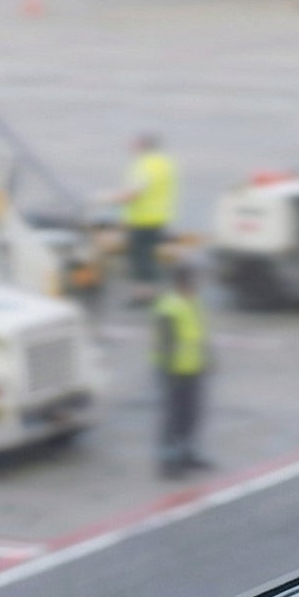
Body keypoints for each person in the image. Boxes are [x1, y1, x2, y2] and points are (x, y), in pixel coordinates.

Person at [151, 256, 211, 478]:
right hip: (174, 372)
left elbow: (198, 335)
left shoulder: (192, 301)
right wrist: (169, 374)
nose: (199, 284)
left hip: (193, 368)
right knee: (173, 418)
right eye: (195, 279)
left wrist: (207, 360)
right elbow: (165, 344)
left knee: (191, 415)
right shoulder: (170, 307)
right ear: (183, 281)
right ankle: (168, 463)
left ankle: (187, 455)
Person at [110, 132, 176, 307]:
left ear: (143, 146)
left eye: (134, 144)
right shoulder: (163, 163)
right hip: (158, 217)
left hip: (143, 220)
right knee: (148, 257)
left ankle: (144, 296)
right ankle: (150, 293)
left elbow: (133, 193)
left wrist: (107, 199)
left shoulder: (145, 165)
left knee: (140, 259)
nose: (130, 148)